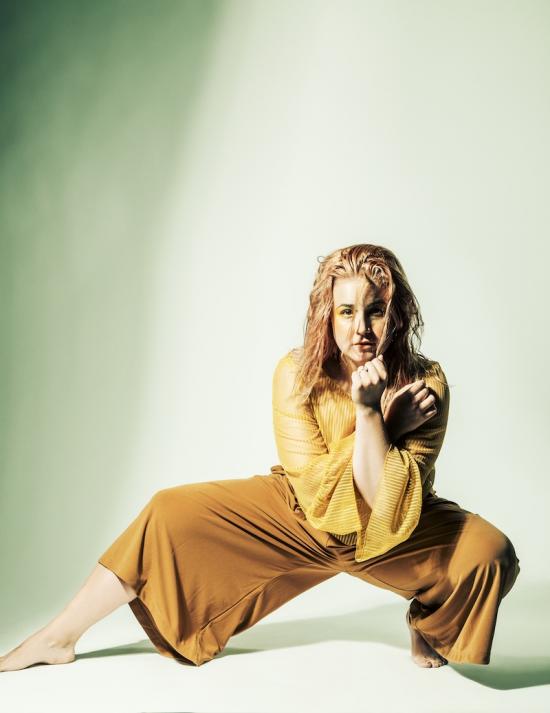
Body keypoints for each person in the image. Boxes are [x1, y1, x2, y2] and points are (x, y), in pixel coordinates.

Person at [0, 243, 520, 672]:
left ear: (397, 315)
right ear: (327, 315)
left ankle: (428, 619)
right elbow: (317, 493)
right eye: (346, 311)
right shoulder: (296, 374)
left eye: (376, 310)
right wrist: (380, 422)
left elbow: (384, 503)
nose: (361, 327)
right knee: (167, 512)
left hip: (395, 528)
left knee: (490, 553)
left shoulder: (426, 382)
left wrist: (369, 416)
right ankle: (57, 637)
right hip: (300, 516)